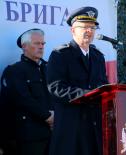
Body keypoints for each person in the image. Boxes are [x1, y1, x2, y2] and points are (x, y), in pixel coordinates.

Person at [47, 6, 108, 155]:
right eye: (85, 27)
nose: (89, 31)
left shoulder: (98, 56)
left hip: (94, 126)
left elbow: (102, 85)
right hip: (71, 126)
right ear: (72, 30)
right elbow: (55, 88)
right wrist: (87, 94)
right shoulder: (60, 54)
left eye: (93, 27)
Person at [0, 28, 54, 155]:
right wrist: (48, 116)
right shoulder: (14, 70)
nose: (41, 47)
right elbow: (23, 99)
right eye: (37, 43)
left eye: (43, 44)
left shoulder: (48, 69)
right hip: (29, 136)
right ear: (24, 46)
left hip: (52, 133)